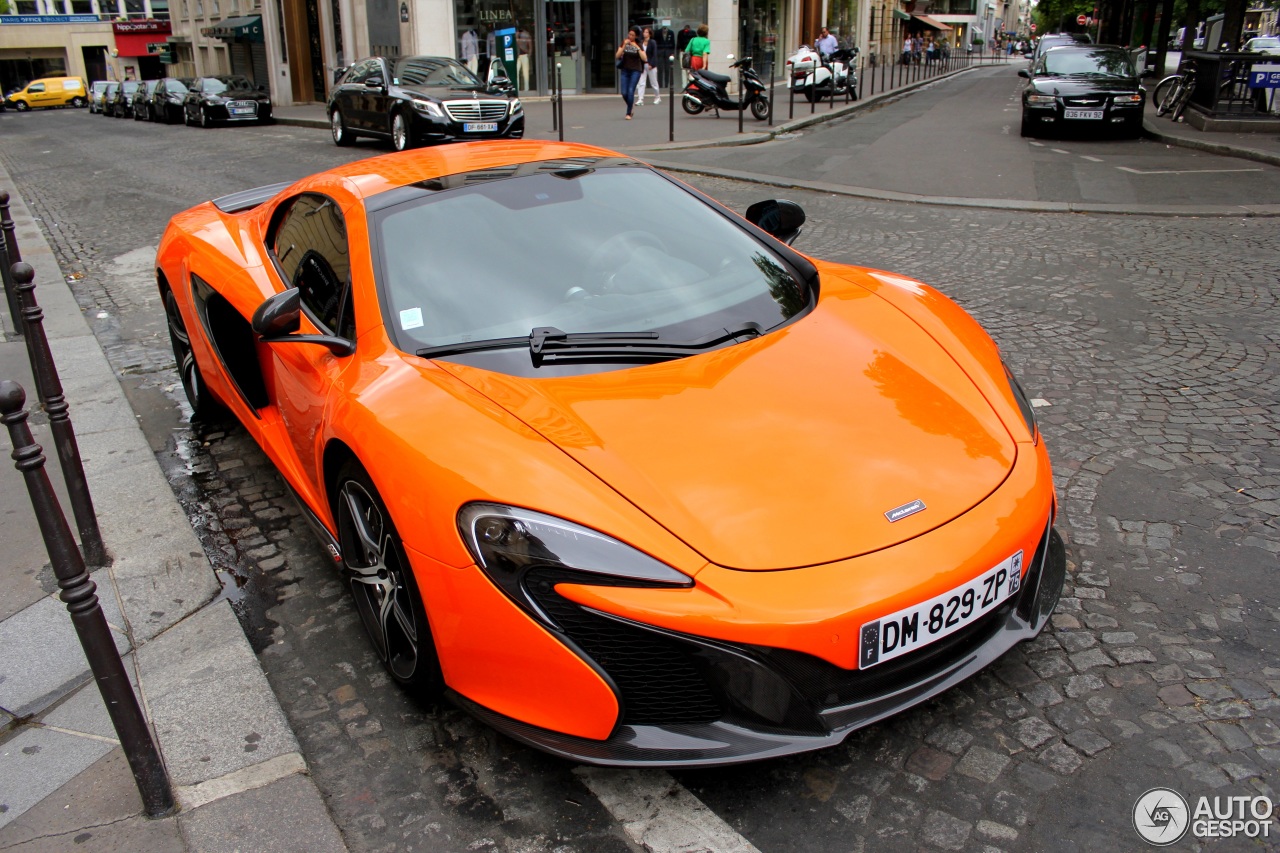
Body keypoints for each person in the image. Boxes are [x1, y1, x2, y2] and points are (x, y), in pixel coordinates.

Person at [615, 27, 646, 119]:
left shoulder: (639, 44)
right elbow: (617, 55)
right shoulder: (625, 42)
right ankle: (630, 106)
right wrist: (624, 45)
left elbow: (644, 58)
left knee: (630, 90)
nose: (630, 36)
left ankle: (628, 113)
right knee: (624, 92)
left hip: (635, 70)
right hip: (625, 70)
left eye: (632, 35)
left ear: (636, 36)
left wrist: (636, 47)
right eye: (629, 34)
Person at [636, 26, 661, 106]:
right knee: (641, 82)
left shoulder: (652, 42)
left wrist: (652, 64)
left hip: (650, 64)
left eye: (646, 32)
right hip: (643, 64)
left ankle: (657, 97)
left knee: (653, 82)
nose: (644, 34)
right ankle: (640, 99)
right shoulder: (641, 42)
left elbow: (654, 54)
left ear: (650, 34)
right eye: (644, 32)